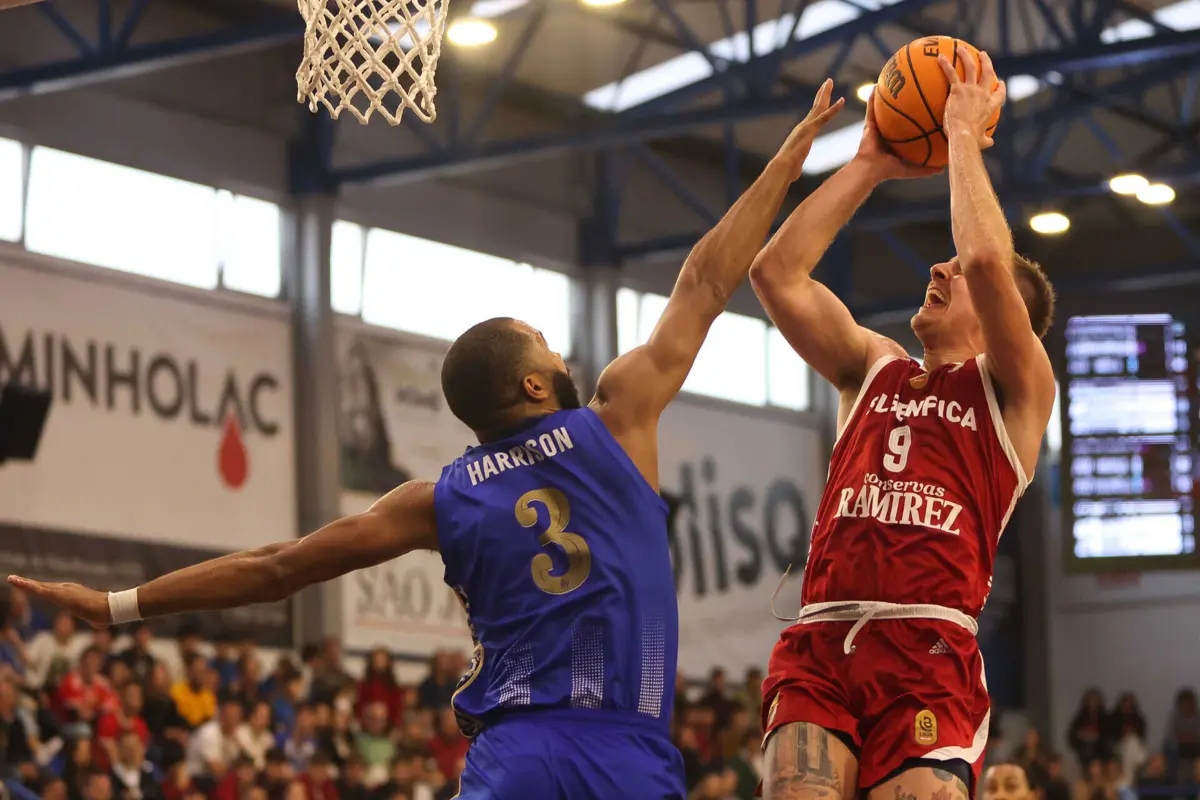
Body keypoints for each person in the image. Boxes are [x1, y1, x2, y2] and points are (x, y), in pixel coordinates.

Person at [5, 80, 846, 800]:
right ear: (530, 382)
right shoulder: (618, 417)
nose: (560, 350)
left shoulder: (437, 498)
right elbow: (704, 277)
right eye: (545, 344)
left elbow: (276, 569)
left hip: (516, 755)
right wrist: (788, 157)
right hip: (626, 751)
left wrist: (119, 604)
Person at [751, 50, 1056, 800]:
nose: (941, 271)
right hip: (822, 637)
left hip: (927, 648)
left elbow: (988, 261)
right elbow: (775, 274)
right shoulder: (874, 367)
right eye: (940, 264)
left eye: (953, 272)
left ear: (1000, 321)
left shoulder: (1016, 390)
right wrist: (868, 163)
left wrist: (958, 131)